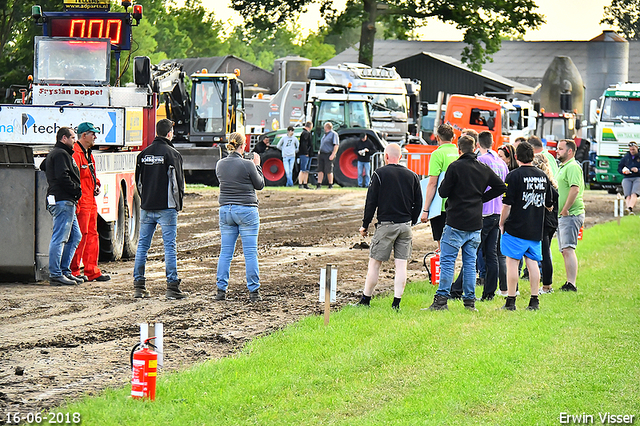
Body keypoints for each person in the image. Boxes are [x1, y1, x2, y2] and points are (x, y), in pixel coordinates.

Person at [426, 135, 506, 311]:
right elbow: (501, 186)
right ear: (475, 147)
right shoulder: (482, 167)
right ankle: (469, 302)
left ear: (459, 149)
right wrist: (481, 198)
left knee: (448, 261)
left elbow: (443, 192)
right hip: (475, 222)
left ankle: (441, 301)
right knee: (470, 263)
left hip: (456, 221)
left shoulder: (455, 167)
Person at [356, 143, 422, 310]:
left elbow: (371, 202)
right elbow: (418, 203)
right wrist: (411, 221)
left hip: (386, 226)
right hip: (405, 226)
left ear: (385, 156)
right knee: (401, 266)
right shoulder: (413, 176)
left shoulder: (379, 174)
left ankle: (365, 300)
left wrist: (365, 225)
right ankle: (396, 303)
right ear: (400, 157)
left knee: (375, 264)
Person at [133, 119, 188, 300]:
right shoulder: (173, 154)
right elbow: (177, 184)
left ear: (157, 132)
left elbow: (138, 184)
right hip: (167, 208)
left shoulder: (143, 155)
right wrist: (177, 205)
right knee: (169, 246)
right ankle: (172, 287)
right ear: (170, 133)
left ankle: (139, 286)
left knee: (142, 246)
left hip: (147, 206)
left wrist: (145, 200)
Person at [499, 142, 554, 310]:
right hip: (535, 228)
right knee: (533, 264)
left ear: (516, 157)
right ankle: (534, 300)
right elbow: (549, 203)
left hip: (516, 227)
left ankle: (510, 302)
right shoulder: (542, 176)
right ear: (532, 156)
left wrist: (501, 223)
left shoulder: (513, 175)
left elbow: (507, 205)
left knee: (512, 264)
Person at [215, 132, 265, 302]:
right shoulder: (247, 164)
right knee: (250, 252)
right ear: (243, 146)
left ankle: (221, 290)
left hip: (225, 210)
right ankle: (253, 291)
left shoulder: (220, 164)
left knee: (226, 252)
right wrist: (257, 165)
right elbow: (259, 185)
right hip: (246, 210)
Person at [70, 122, 110, 283]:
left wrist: (97, 184)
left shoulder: (87, 153)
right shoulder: (76, 154)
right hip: (82, 201)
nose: (95, 136)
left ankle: (92, 270)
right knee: (80, 236)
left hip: (90, 201)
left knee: (92, 235)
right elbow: (74, 178)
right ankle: (74, 271)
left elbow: (90, 174)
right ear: (84, 135)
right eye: (92, 134)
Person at [42, 127, 83, 286]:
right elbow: (62, 176)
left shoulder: (56, 154)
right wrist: (76, 190)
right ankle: (56, 274)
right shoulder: (60, 154)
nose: (75, 140)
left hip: (64, 201)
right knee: (60, 238)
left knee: (75, 236)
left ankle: (65, 271)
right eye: (73, 137)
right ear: (64, 138)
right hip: (63, 201)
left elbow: (44, 166)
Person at [420, 123, 459, 249]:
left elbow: (432, 183)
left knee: (442, 244)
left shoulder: (437, 154)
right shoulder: (458, 153)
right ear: (453, 137)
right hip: (456, 204)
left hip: (440, 205)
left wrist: (425, 209)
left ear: (438, 138)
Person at [556, 139, 585, 292]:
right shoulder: (563, 166)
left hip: (571, 214)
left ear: (569, 151)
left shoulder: (573, 167)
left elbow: (574, 189)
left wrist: (565, 209)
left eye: (560, 149)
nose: (557, 151)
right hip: (564, 215)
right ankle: (569, 282)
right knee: (564, 250)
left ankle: (571, 284)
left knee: (568, 249)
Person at [532, 153, 559, 294]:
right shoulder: (552, 180)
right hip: (552, 221)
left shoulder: (541, 182)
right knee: (545, 252)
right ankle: (546, 284)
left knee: (543, 254)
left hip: (543, 221)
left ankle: (547, 285)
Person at [618, 141, 640, 214]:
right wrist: (623, 171)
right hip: (627, 177)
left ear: (637, 148)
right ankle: (629, 210)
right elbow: (619, 168)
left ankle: (630, 208)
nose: (632, 151)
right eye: (631, 150)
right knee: (627, 195)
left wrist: (638, 170)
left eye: (633, 150)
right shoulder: (626, 157)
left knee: (634, 193)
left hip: (638, 177)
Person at [316, 122, 339, 189]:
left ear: (327, 127)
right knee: (320, 170)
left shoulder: (333, 134)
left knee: (328, 170)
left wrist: (333, 154)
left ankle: (330, 184)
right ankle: (319, 184)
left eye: (325, 127)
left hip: (328, 154)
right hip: (322, 154)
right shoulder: (324, 135)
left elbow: (336, 145)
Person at [298, 121, 313, 189]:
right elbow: (304, 144)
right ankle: (301, 183)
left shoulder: (304, 133)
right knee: (303, 170)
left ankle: (305, 183)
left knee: (306, 170)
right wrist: (306, 152)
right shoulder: (306, 134)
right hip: (305, 154)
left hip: (307, 154)